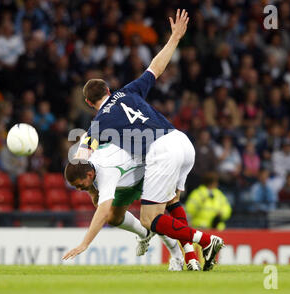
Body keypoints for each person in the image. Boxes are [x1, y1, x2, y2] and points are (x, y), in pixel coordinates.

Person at [64, 10, 224, 271]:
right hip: (181, 140)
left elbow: (83, 155)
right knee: (173, 202)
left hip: (161, 151)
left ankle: (206, 241)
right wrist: (174, 38)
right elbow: (156, 68)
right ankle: (191, 259)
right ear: (108, 90)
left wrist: (83, 165)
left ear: (88, 103)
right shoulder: (128, 90)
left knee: (150, 218)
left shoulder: (99, 122)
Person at [65, 143, 200, 271]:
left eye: (79, 185)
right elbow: (97, 198)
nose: (78, 189)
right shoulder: (85, 162)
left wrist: (84, 244)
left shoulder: (106, 172)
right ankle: (145, 233)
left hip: (148, 173)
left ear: (89, 175)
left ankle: (177, 256)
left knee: (153, 218)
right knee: (113, 218)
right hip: (126, 179)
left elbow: (103, 212)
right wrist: (91, 191)